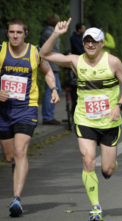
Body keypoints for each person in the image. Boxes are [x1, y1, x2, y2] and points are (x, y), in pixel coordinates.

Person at [39, 18, 122, 221]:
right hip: (85, 120)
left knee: (107, 169)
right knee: (88, 160)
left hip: (109, 122)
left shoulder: (113, 62)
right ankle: (95, 206)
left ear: (101, 43)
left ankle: (111, 163)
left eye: (94, 41)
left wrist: (119, 106)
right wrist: (56, 33)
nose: (90, 44)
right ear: (83, 43)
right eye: (86, 41)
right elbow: (44, 54)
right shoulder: (75, 60)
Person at [0, 18, 59, 217]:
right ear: (7, 34)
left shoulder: (34, 52)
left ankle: (16, 199)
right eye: (11, 32)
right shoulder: (1, 51)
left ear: (26, 34)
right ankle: (19, 166)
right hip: (4, 111)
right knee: (10, 156)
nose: (14, 36)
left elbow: (48, 71)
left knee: (19, 150)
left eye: (18, 32)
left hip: (27, 108)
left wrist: (53, 89)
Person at [40, 14, 62, 125]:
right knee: (52, 90)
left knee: (55, 90)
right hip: (51, 65)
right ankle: (48, 117)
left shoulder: (50, 31)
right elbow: (51, 49)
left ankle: (49, 116)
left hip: (53, 64)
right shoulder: (49, 33)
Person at [69, 23, 86, 118]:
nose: (85, 30)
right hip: (78, 61)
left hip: (83, 60)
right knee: (75, 81)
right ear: (79, 29)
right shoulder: (74, 38)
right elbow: (78, 49)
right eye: (83, 28)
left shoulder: (82, 37)